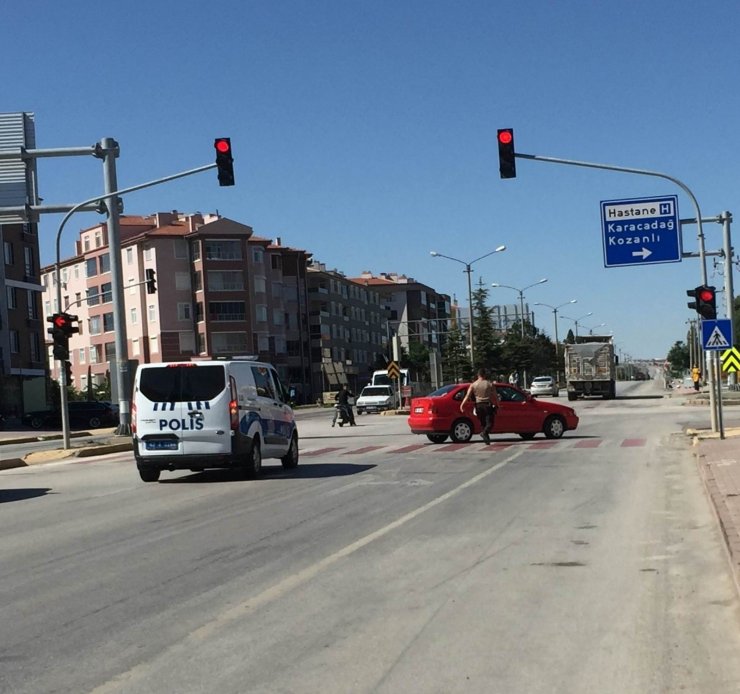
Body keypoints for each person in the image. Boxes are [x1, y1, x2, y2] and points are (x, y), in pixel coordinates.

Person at [460, 367, 499, 445]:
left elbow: (467, 396)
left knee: (482, 423)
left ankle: (486, 439)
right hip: (487, 405)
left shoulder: (473, 385)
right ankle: (484, 433)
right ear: (484, 375)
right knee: (490, 423)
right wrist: (497, 404)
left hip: (478, 405)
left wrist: (462, 405)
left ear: (478, 375)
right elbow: (495, 396)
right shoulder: (489, 384)